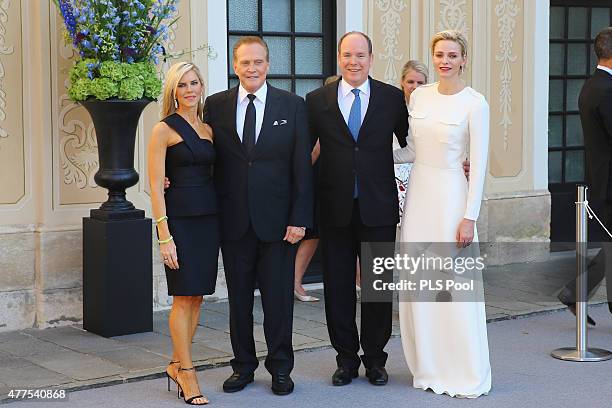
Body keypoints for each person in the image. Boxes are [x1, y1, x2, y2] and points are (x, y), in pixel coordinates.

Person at [203, 36, 313, 395]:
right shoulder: (215, 106)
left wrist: (299, 218)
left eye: (258, 62)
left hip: (279, 224)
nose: (251, 68)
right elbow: (206, 158)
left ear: (268, 64)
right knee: (238, 303)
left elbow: (301, 167)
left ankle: (281, 368)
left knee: (279, 301)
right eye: (245, 63)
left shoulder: (292, 105)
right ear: (235, 66)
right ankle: (243, 366)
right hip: (233, 222)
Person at [305, 31, 408, 386]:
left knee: (378, 287)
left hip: (378, 208)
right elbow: (303, 153)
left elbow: (415, 144)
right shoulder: (317, 100)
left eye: (360, 55)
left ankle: (376, 360)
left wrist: (458, 163)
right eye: (347, 55)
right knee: (337, 288)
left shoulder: (392, 99)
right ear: (338, 57)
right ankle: (346, 359)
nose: (354, 62)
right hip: (334, 209)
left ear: (371, 58)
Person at [393, 30, 491, 398]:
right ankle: (429, 366)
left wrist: (470, 216)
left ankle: (463, 367)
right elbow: (409, 151)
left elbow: (478, 165)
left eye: (452, 54)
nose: (445, 60)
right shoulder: (419, 96)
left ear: (463, 59)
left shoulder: (475, 103)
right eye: (439, 54)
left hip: (452, 196)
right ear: (432, 57)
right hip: (419, 196)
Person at [148, 62, 216, 405]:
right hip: (180, 223)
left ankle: (176, 364)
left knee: (197, 296)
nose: (189, 90)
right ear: (173, 91)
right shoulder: (163, 129)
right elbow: (156, 188)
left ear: (201, 86)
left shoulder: (208, 129)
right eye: (182, 85)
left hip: (209, 220)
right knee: (182, 296)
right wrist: (164, 237)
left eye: (194, 83)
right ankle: (188, 373)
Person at [558, 27, 612, 324]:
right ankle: (573, 291)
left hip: (602, 179)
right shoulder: (605, 90)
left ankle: (574, 292)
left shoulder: (594, 85)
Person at [294, 75, 361, 303]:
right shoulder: (320, 115)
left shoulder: (374, 105)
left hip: (362, 195)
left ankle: (363, 284)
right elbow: (309, 155)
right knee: (313, 236)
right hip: (323, 187)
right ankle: (296, 283)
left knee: (365, 242)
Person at [395, 61, 429, 217]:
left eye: (420, 82)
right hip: (394, 177)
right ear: (402, 82)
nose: (415, 86)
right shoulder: (391, 107)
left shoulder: (431, 110)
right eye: (410, 81)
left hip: (424, 176)